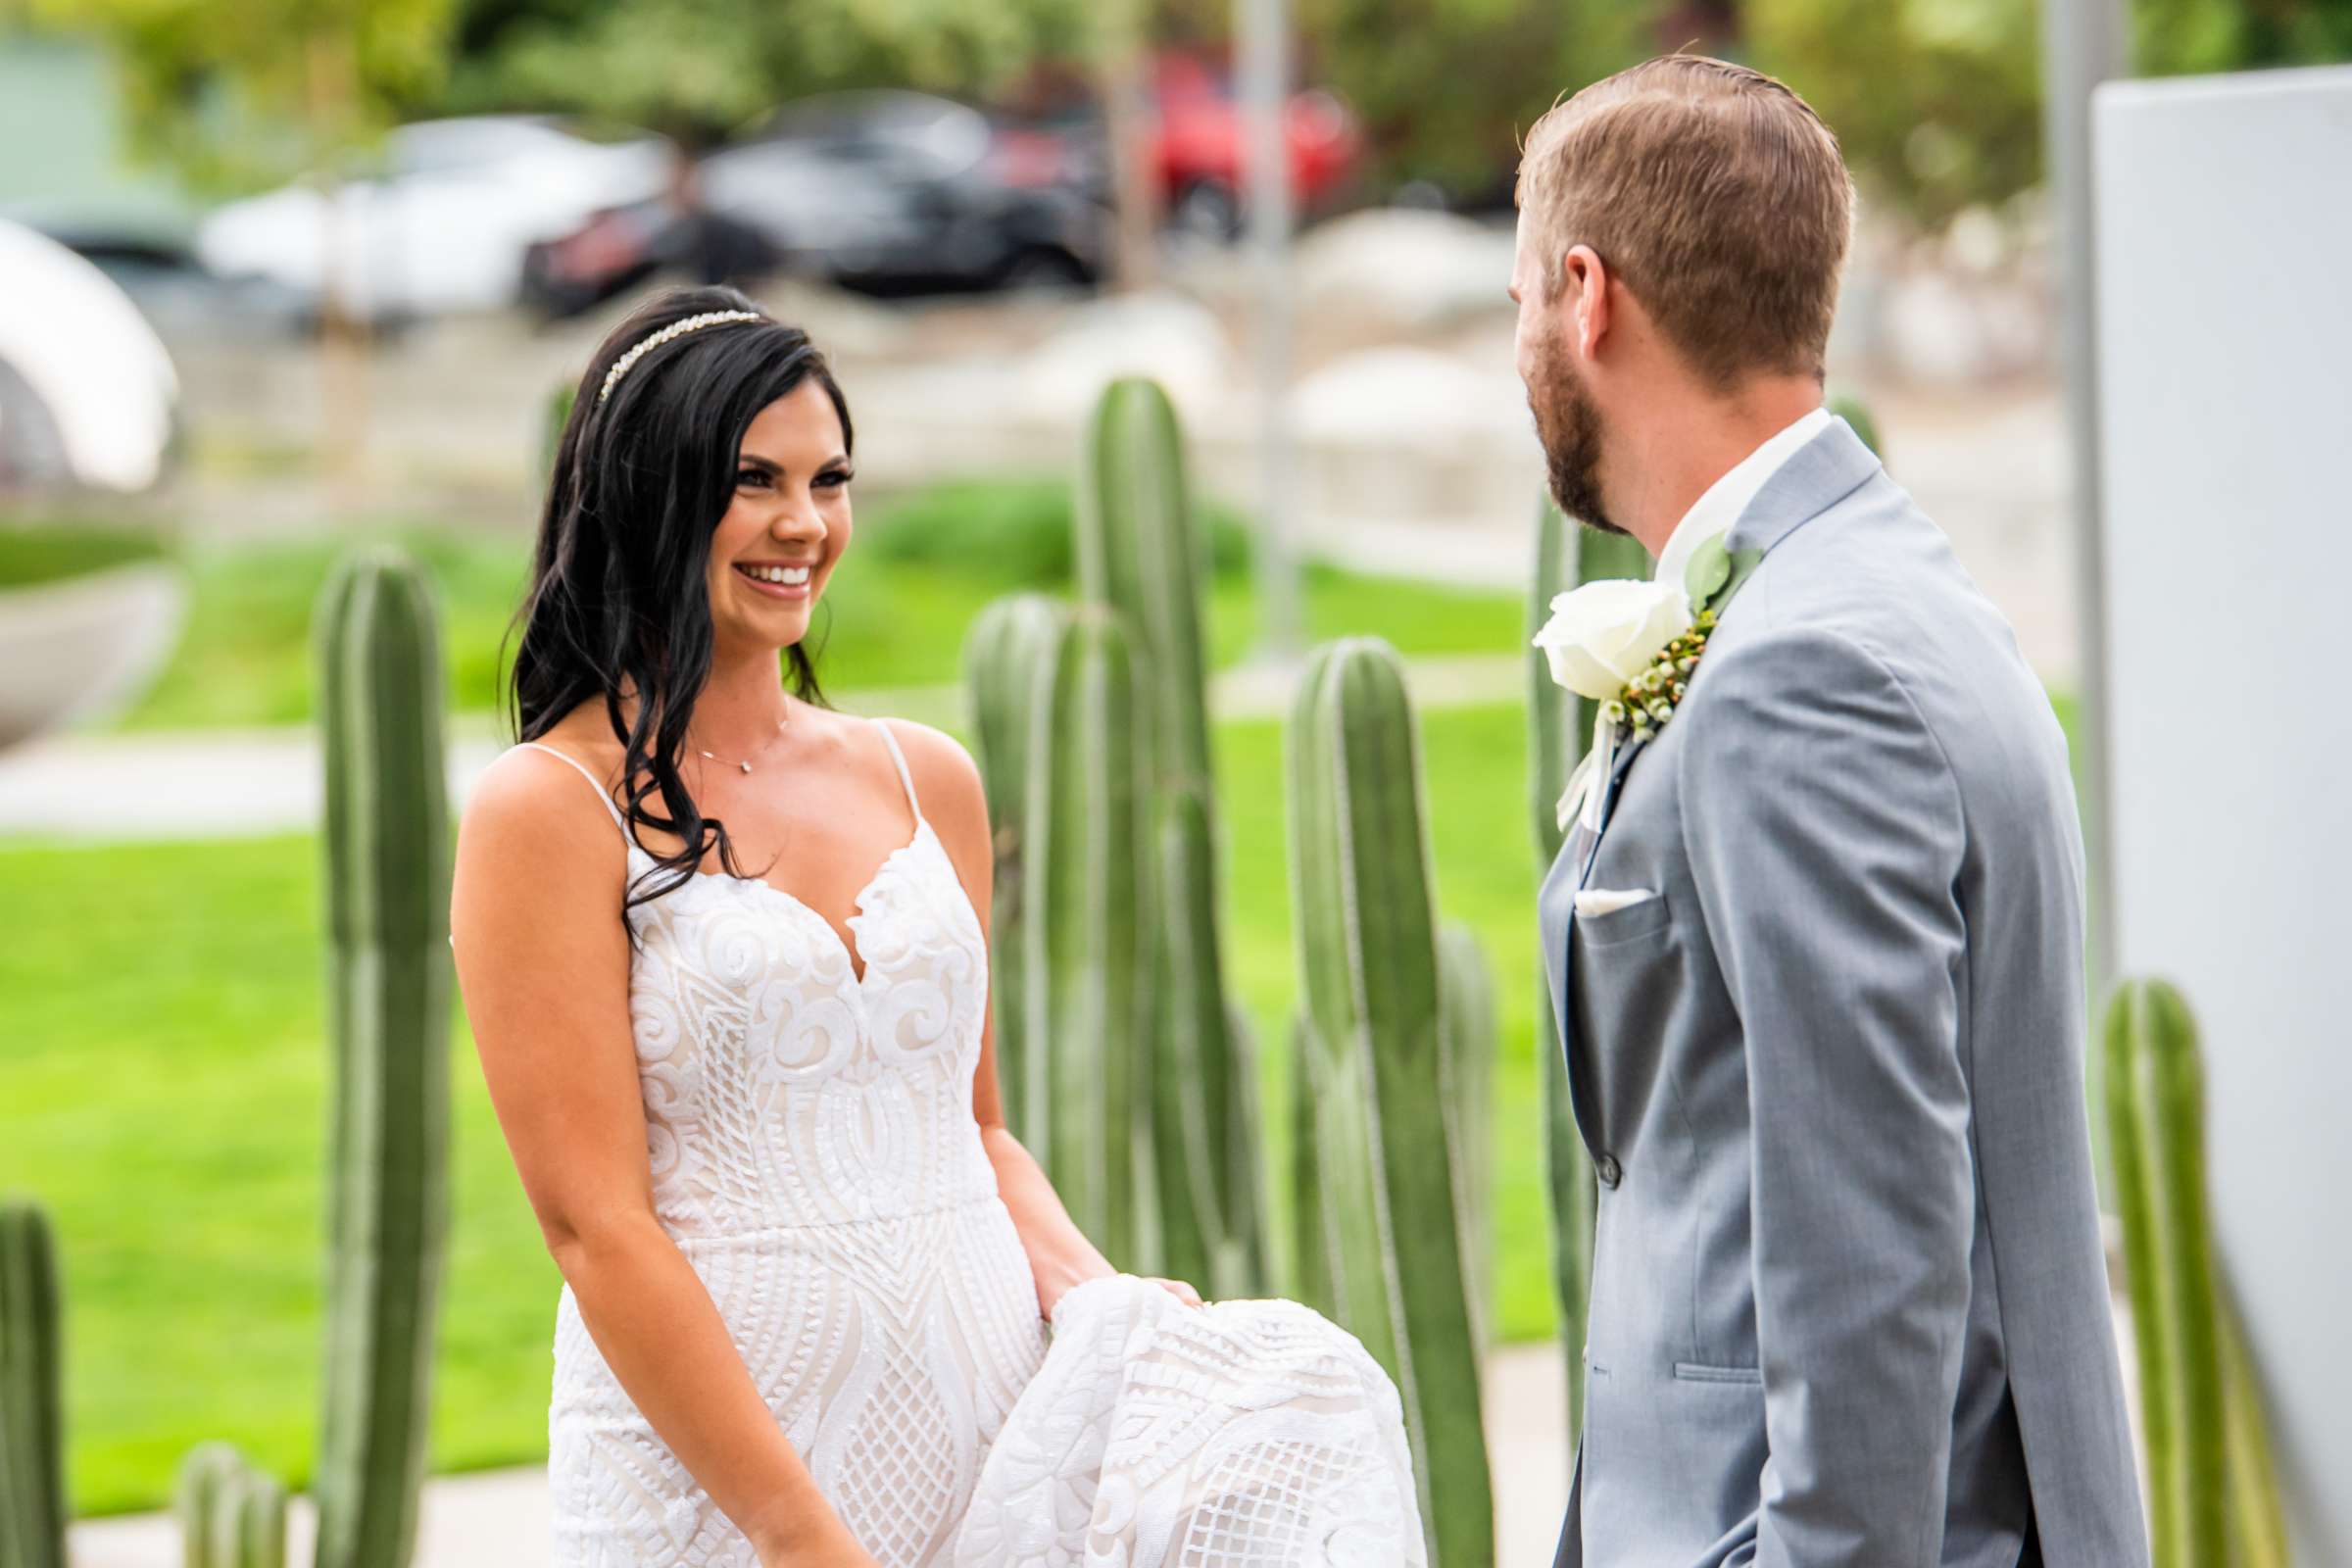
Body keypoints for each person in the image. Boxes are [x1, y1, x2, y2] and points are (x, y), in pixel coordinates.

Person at [450, 285, 1419, 1568]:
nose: (805, 523)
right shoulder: (548, 809)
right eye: (753, 481)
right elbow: (597, 1229)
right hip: (726, 1494)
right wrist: (798, 1535)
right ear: (646, 492)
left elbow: (971, 1127)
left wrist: (1096, 1290)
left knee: (1316, 1389)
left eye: (830, 478)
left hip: (987, 1438)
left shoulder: (924, 778)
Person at [1515, 57, 2147, 1567]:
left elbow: (1872, 1267)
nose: (1522, 344)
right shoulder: (1889, 588)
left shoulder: (1806, 668)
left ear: (1588, 295)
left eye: (1521, 298)